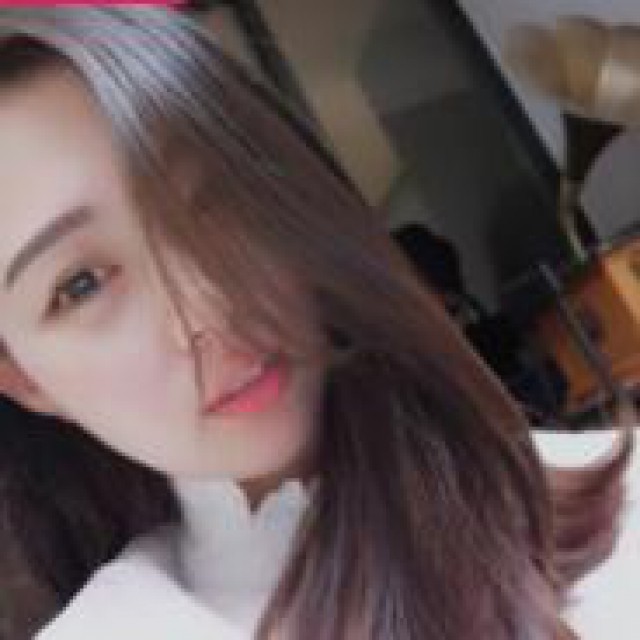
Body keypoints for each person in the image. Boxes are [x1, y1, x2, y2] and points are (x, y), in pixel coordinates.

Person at [0, 7, 635, 640]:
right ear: (25, 380)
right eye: (80, 285)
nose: (207, 307)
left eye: (215, 199)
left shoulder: (622, 511)